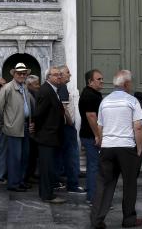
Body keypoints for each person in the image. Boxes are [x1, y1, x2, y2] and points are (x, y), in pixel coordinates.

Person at [90, 70, 142, 228]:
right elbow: (138, 127)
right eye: (130, 83)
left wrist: (102, 143)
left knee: (104, 184)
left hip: (107, 147)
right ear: (126, 84)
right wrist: (139, 148)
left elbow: (100, 127)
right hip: (126, 148)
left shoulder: (104, 101)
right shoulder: (132, 101)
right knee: (129, 184)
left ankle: (97, 220)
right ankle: (129, 219)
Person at [0, 63, 34, 192]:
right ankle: (13, 183)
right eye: (19, 73)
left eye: (24, 73)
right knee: (14, 158)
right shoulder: (7, 88)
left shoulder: (25, 88)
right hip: (13, 127)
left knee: (25, 156)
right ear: (14, 74)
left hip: (25, 126)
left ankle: (21, 181)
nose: (22, 75)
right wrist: (6, 122)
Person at [33, 66, 66, 204]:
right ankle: (47, 195)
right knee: (46, 168)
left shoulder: (53, 90)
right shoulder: (46, 91)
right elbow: (39, 114)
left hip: (51, 135)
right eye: (56, 74)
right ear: (48, 77)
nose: (59, 76)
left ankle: (46, 192)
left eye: (60, 74)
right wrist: (41, 131)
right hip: (47, 136)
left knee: (49, 167)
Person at [56, 65, 85, 193]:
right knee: (72, 155)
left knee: (62, 155)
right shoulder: (62, 87)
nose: (70, 75)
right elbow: (64, 109)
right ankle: (73, 184)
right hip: (67, 127)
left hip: (63, 127)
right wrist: (70, 123)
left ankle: (59, 180)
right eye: (67, 72)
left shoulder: (61, 87)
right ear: (61, 75)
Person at [79, 69, 104, 205]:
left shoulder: (93, 94)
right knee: (94, 166)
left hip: (89, 135)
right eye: (98, 79)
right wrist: (98, 136)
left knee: (92, 165)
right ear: (90, 81)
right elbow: (91, 116)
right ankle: (93, 197)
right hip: (90, 136)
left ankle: (91, 191)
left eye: (101, 79)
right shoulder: (90, 95)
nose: (102, 81)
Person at [24, 75, 40, 184]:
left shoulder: (34, 94)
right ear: (29, 85)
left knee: (33, 154)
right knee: (29, 154)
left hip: (34, 128)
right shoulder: (27, 95)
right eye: (36, 84)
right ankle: (27, 176)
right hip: (29, 129)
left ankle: (31, 174)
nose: (38, 86)